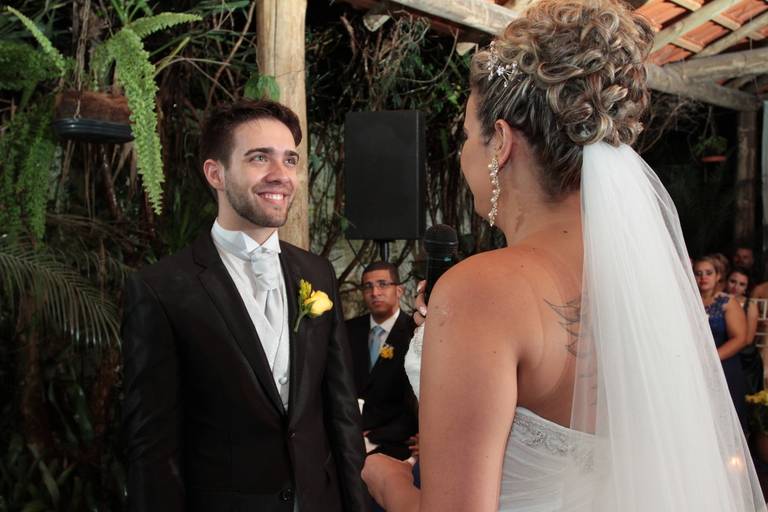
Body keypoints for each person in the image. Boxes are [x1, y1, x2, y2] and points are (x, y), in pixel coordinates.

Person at [361, 1, 766, 511]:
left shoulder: (481, 288)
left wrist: (384, 478)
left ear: (500, 142)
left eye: (466, 135)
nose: (464, 153)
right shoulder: (654, 285)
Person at [121, 99, 368, 512]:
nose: (281, 175)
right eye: (259, 158)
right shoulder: (160, 288)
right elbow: (152, 448)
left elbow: (341, 411)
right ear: (215, 173)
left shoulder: (317, 272)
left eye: (290, 159)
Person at [345, 261, 418, 461]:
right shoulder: (347, 330)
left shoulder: (414, 333)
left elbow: (415, 400)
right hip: (347, 439)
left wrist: (376, 437)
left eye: (382, 284)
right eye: (368, 286)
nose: (375, 292)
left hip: (396, 444)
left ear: (399, 290)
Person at [695, 257, 749, 430]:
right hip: (695, 367)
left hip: (724, 366)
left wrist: (711, 358)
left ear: (718, 276)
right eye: (698, 273)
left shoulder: (727, 302)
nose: (703, 277)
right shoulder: (689, 302)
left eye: (708, 273)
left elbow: (740, 338)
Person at [726, 267, 763, 395]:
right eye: (733, 281)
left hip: (744, 358)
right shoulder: (716, 299)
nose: (736, 287)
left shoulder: (750, 305)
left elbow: (748, 340)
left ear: (746, 288)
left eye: (742, 284)